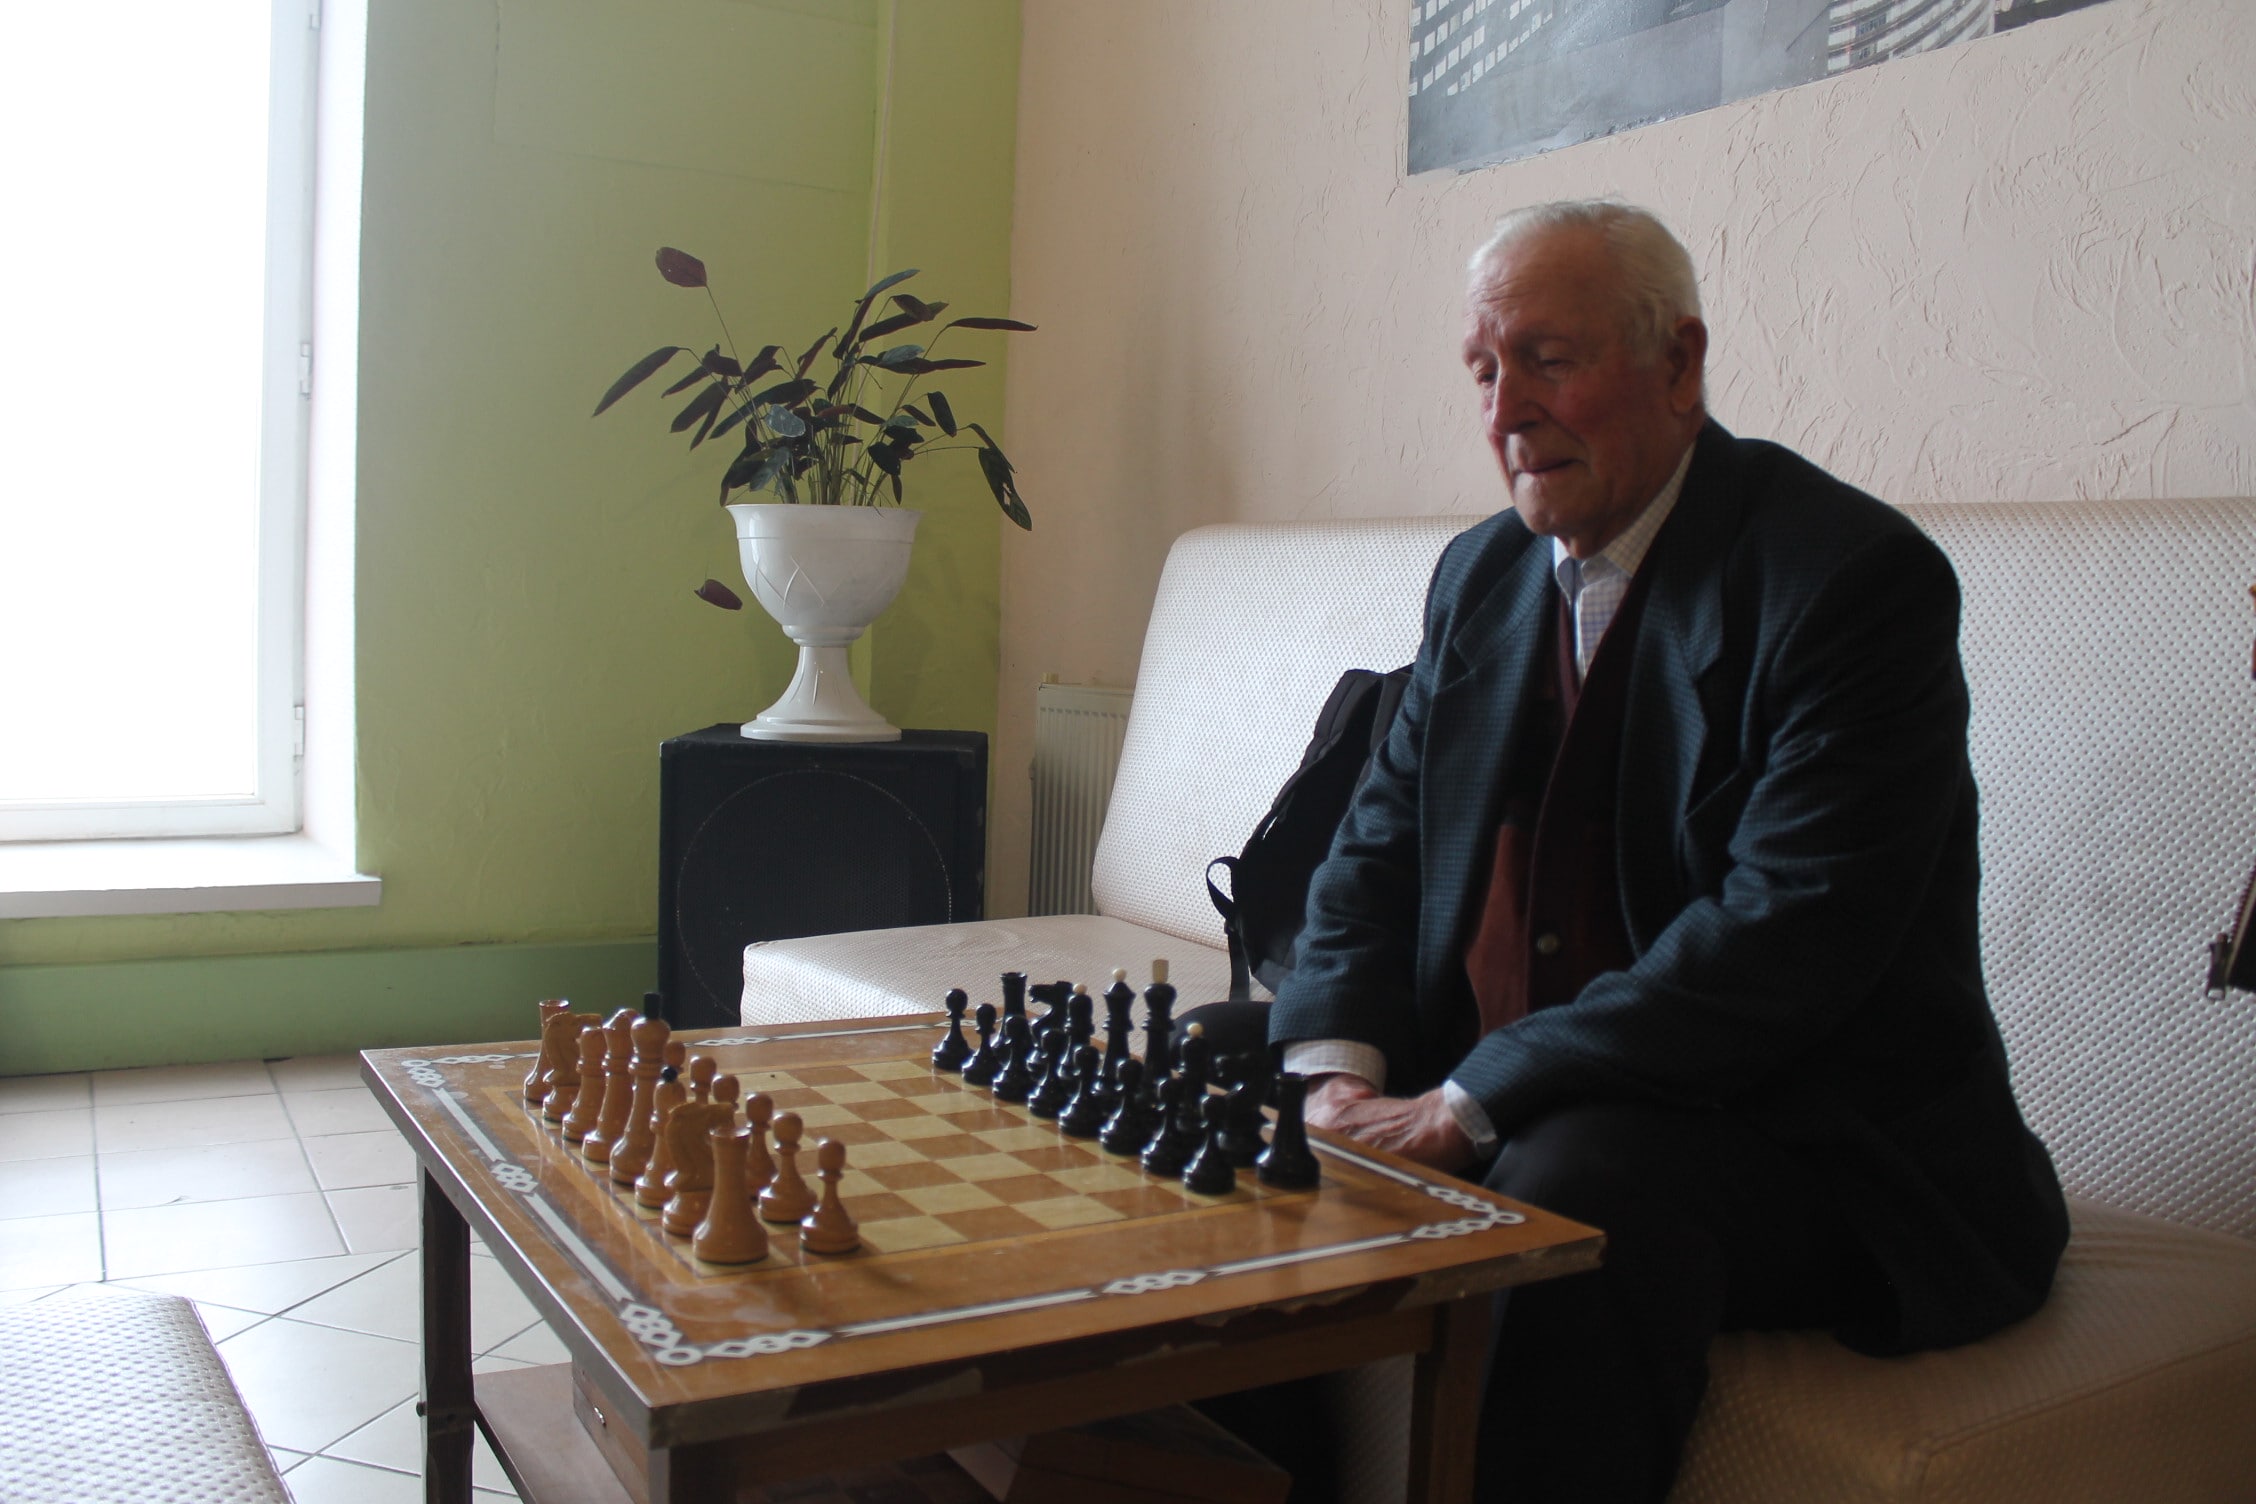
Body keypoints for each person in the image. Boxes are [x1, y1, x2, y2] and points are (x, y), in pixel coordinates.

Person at [1257, 202, 2070, 1503]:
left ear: (1680, 364)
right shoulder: (1481, 574)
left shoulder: (1850, 581)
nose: (1507, 411)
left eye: (1549, 360)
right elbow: (1377, 847)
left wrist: (1469, 1100)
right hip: (1533, 1086)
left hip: (1803, 1130)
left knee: (1570, 1188)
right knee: (1218, 1078)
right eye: (1484, 370)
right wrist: (1338, 1076)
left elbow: (1787, 937)